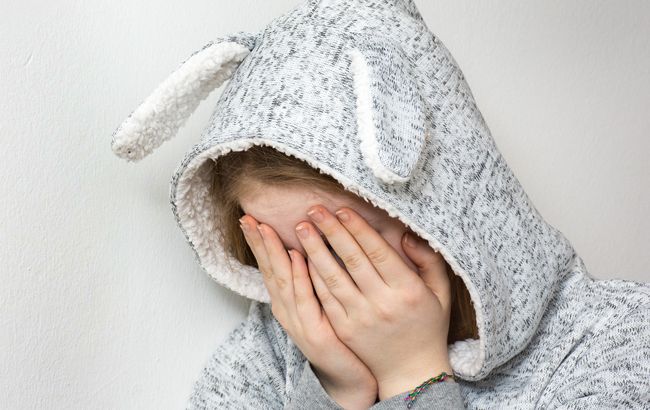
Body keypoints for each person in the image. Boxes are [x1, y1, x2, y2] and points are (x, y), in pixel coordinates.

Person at [111, 0, 650, 408]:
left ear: (444, 215)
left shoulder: (616, 342)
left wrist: (414, 377)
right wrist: (338, 389)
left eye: (347, 246)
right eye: (287, 255)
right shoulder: (269, 357)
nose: (326, 287)